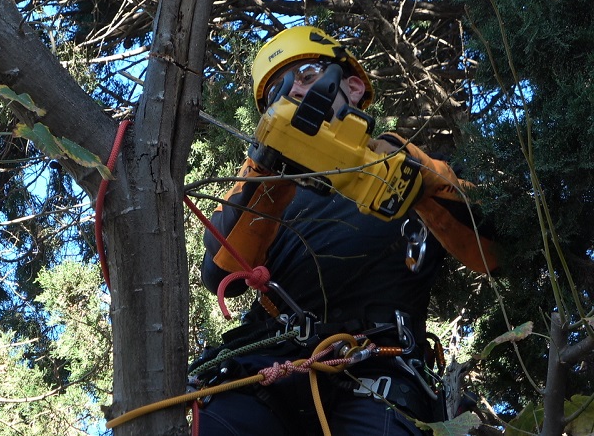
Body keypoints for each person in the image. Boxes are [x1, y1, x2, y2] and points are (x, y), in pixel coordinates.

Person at [193, 26, 498, 435]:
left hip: (376, 368)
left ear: (353, 86)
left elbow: (495, 251)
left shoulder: (415, 174)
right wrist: (267, 172)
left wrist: (423, 178)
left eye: (305, 74)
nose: (292, 93)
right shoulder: (266, 189)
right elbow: (219, 275)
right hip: (266, 364)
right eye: (275, 93)